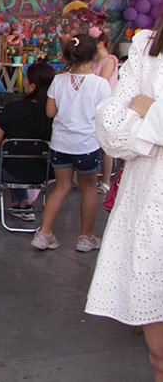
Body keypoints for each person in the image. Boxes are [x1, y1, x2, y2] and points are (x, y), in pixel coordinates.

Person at [88, 20, 163, 381]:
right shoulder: (148, 46)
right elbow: (111, 127)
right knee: (159, 355)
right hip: (151, 212)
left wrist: (150, 108)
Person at [32, 34, 111, 252]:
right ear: (94, 55)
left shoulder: (58, 80)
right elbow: (106, 116)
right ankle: (86, 237)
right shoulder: (100, 84)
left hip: (60, 144)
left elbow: (50, 112)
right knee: (88, 190)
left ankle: (44, 233)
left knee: (61, 187)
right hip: (86, 145)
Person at [0, 62, 56, 223]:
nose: (24, 82)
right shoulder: (53, 112)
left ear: (32, 86)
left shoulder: (12, 109)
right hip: (44, 172)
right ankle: (23, 204)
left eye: (25, 79)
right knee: (19, 159)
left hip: (12, 171)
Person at [90, 26, 120, 193]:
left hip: (107, 105)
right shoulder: (94, 62)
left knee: (105, 145)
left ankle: (107, 180)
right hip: (94, 104)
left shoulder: (110, 60)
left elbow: (102, 81)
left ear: (101, 44)